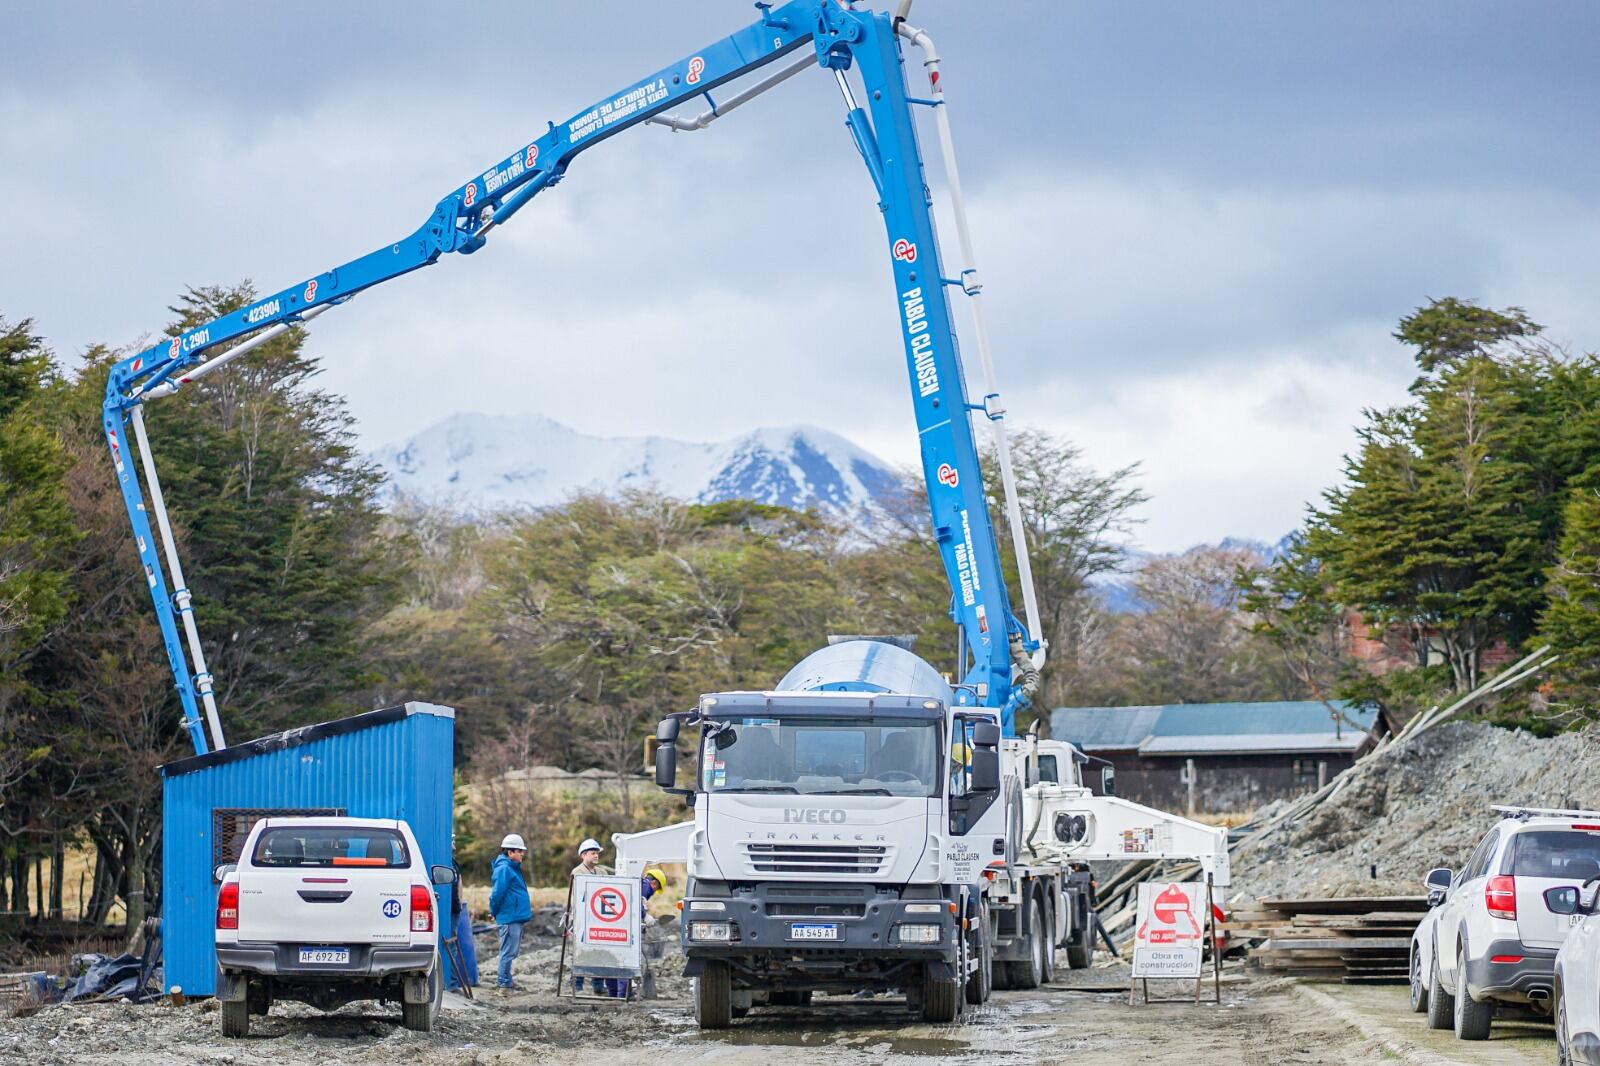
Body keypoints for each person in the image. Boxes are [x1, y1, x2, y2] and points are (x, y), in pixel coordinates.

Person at [568, 838, 621, 996]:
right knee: (581, 950)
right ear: (583, 855)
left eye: (597, 853)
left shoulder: (602, 872)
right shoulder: (577, 873)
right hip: (583, 918)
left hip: (599, 918)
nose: (596, 855)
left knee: (599, 950)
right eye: (593, 853)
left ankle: (598, 985)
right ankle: (577, 984)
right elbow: (574, 897)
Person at [489, 833, 532, 995]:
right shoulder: (504, 869)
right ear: (510, 852)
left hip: (514, 916)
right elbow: (497, 894)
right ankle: (504, 985)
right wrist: (493, 911)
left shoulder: (511, 868)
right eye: (519, 851)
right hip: (509, 917)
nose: (522, 854)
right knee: (507, 952)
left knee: (511, 951)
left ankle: (507, 980)